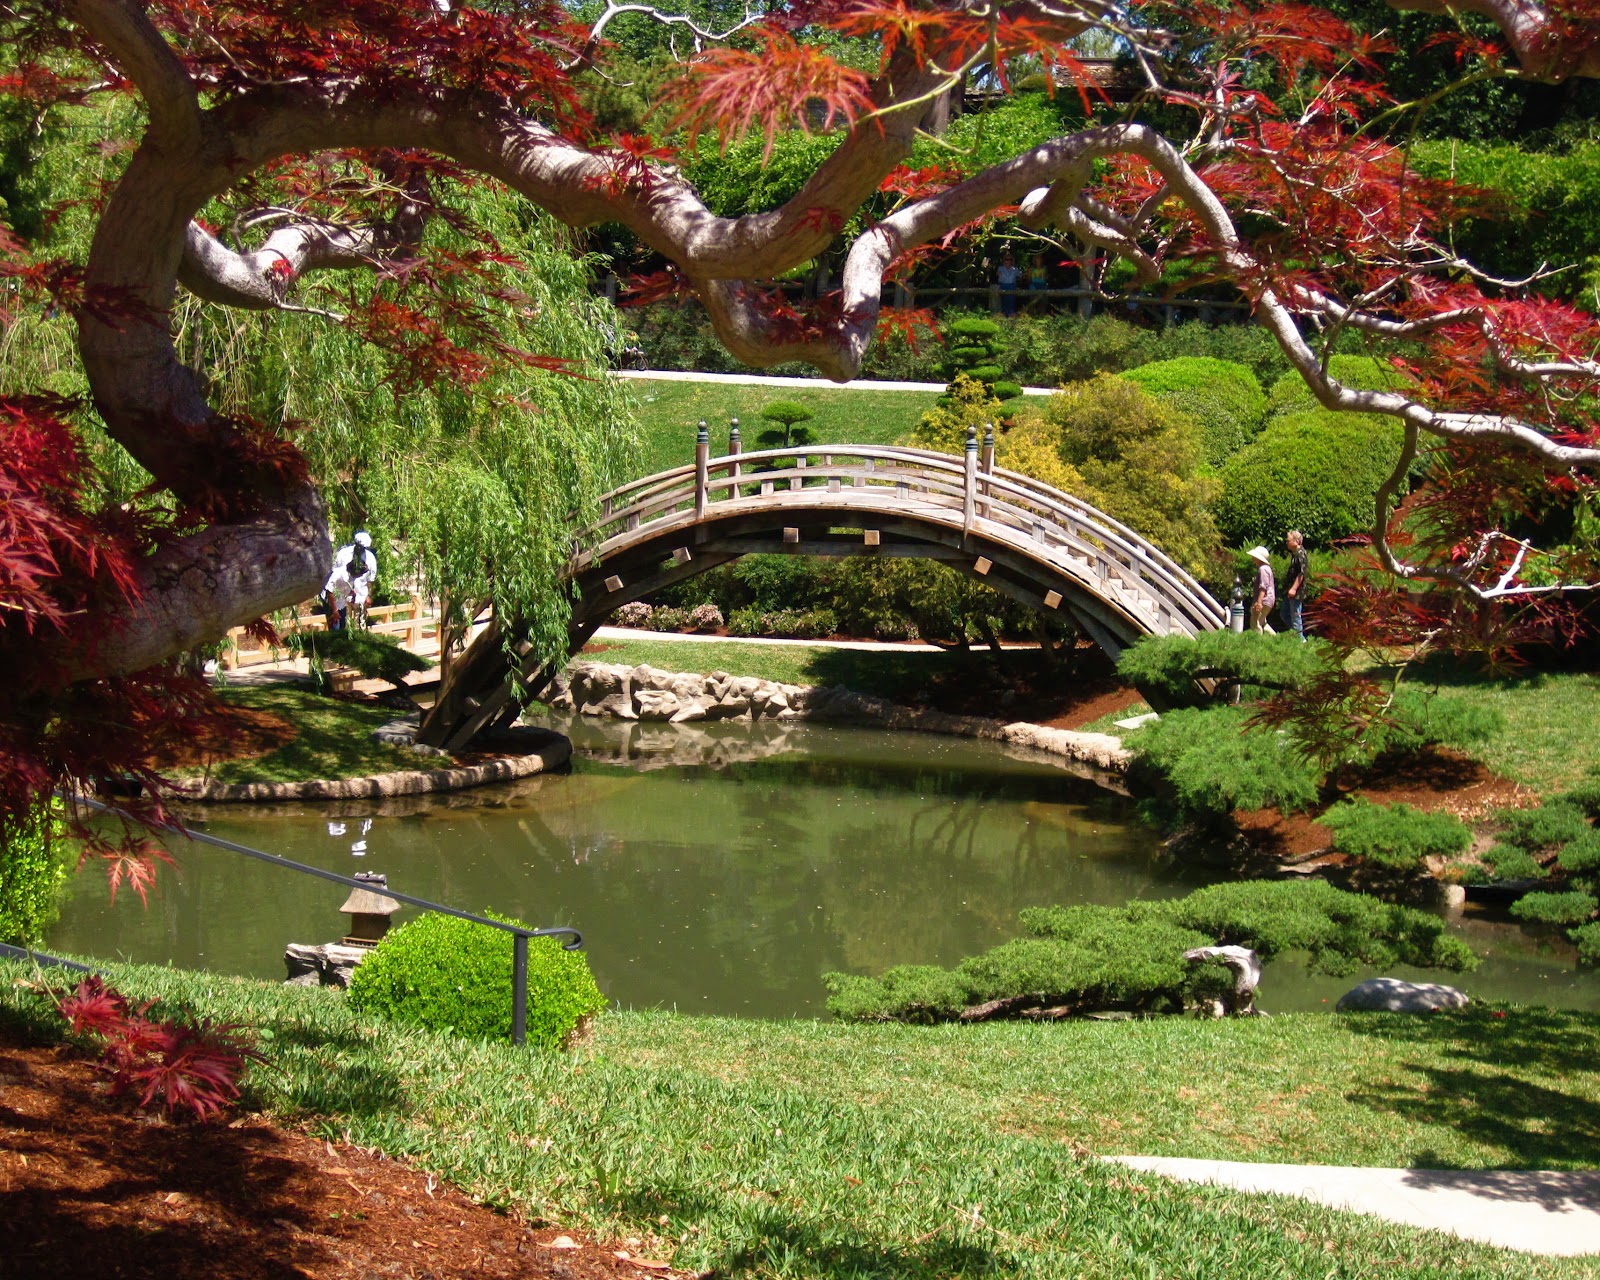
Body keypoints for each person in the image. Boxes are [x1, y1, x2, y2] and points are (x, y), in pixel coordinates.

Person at [324, 530, 377, 630]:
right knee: (337, 625)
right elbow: (329, 590)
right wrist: (334, 610)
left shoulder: (370, 559)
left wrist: (367, 596)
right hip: (336, 597)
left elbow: (371, 579)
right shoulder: (343, 557)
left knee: (355, 625)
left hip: (356, 595)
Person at [1280, 529, 1309, 640]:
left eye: (1288, 540)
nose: (1287, 542)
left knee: (1295, 616)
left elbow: (1301, 574)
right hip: (1292, 591)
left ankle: (1300, 641)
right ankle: (1296, 636)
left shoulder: (1301, 554)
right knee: (1285, 613)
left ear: (1297, 541)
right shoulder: (1295, 554)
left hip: (1297, 592)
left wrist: (1293, 588)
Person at [1247, 545, 1275, 632]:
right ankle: (1275, 639)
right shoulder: (1267, 568)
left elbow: (1263, 587)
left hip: (1264, 600)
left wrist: (1259, 602)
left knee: (1255, 622)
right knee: (1262, 622)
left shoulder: (1262, 569)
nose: (1252, 557)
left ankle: (1258, 642)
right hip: (1269, 600)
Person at [996, 252, 1020, 316]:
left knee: (1011, 299)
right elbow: (997, 275)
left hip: (1011, 286)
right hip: (1003, 285)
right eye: (1007, 259)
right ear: (1004, 260)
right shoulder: (1000, 268)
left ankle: (1011, 313)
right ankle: (1003, 313)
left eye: (1010, 260)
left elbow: (1020, 276)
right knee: (1003, 300)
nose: (1008, 261)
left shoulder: (1015, 269)